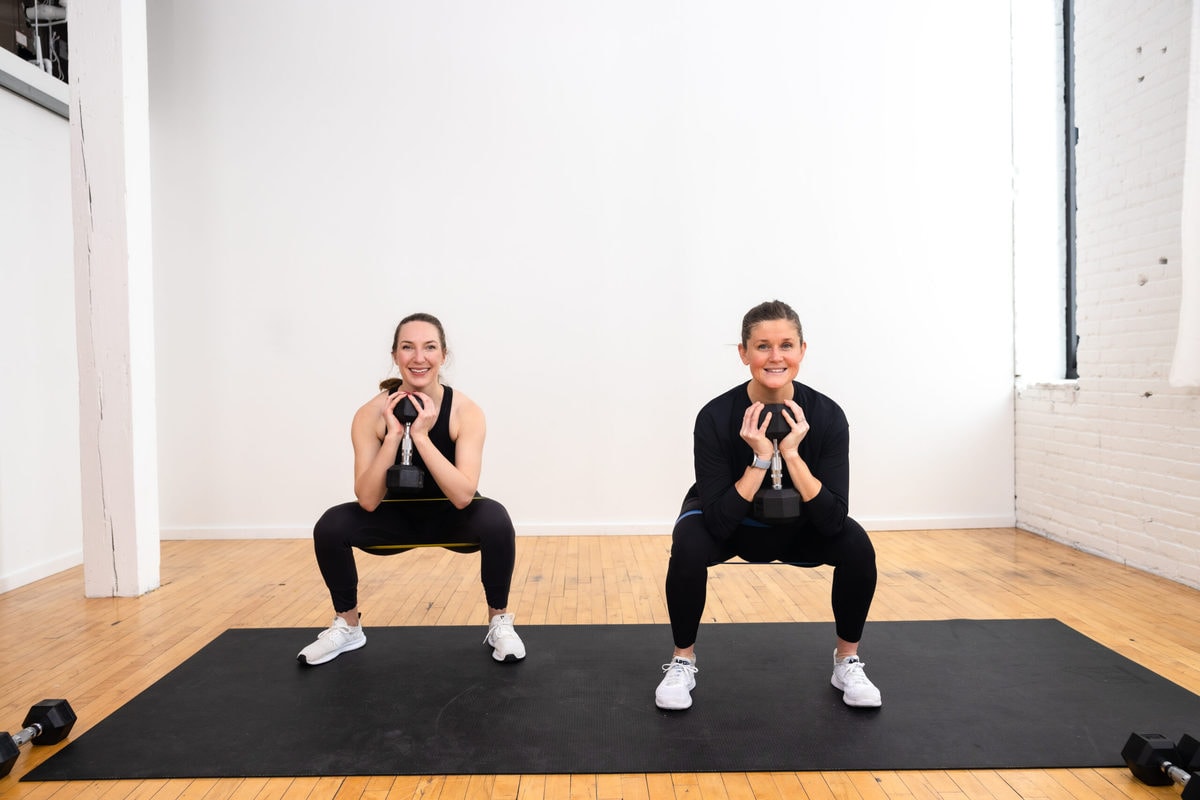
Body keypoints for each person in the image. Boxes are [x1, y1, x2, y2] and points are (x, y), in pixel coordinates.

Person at [654, 299, 881, 710]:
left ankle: (847, 660)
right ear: (743, 353)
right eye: (762, 346)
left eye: (786, 345)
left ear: (802, 351)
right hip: (735, 523)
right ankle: (681, 661)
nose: (775, 357)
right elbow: (720, 523)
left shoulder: (827, 416)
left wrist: (792, 454)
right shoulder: (715, 417)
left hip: (802, 528)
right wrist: (759, 458)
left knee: (857, 546)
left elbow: (831, 520)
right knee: (688, 544)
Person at [298, 312, 525, 665]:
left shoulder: (465, 411)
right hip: (393, 519)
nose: (419, 358)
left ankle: (499, 622)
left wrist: (420, 435)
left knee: (495, 519)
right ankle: (348, 626)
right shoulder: (369, 415)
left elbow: (464, 494)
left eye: (429, 347)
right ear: (395, 355)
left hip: (452, 517)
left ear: (443, 356)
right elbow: (369, 500)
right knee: (331, 525)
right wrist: (393, 435)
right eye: (408, 347)